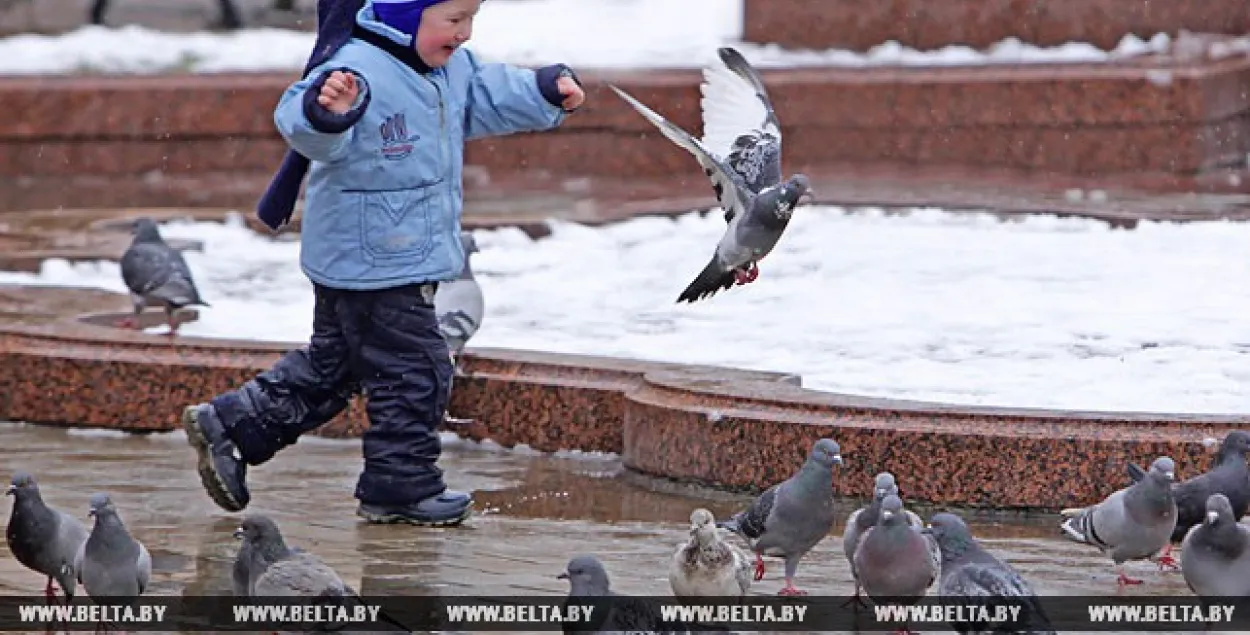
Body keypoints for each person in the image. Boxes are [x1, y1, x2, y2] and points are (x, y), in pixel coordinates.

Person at [181, 0, 585, 527]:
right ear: (404, 12)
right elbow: (299, 120)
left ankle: (233, 426)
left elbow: (486, 94)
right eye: (454, 19)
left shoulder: (448, 68)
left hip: (385, 255)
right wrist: (329, 113)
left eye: (471, 19)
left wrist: (543, 91)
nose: (465, 34)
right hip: (375, 257)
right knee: (416, 371)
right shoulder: (357, 67)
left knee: (337, 367)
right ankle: (401, 488)